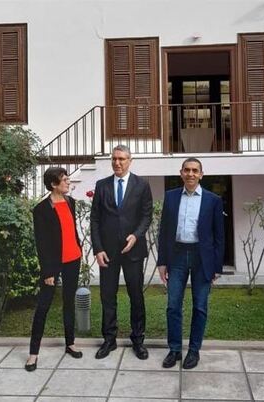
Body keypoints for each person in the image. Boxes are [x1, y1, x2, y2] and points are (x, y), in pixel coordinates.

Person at [157, 157, 224, 369]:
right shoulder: (171, 197)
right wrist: (162, 261)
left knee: (200, 306)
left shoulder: (213, 200)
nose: (191, 174)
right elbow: (164, 231)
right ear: (181, 173)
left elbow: (219, 236)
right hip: (176, 255)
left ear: (201, 175)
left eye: (195, 170)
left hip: (202, 258)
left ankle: (194, 351)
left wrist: (216, 266)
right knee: (173, 306)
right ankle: (175, 350)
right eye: (187, 170)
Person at [91, 144, 153, 360]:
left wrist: (136, 235)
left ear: (130, 161)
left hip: (133, 251)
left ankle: (138, 340)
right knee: (107, 297)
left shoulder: (142, 185)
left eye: (121, 159)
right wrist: (98, 249)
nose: (117, 162)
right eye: (114, 159)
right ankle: (109, 340)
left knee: (136, 296)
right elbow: (95, 219)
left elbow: (146, 215)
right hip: (107, 252)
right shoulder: (102, 185)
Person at [25, 167, 83, 372]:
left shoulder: (70, 202)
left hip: (73, 259)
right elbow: (42, 243)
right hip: (53, 264)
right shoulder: (41, 210)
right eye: (64, 180)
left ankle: (70, 343)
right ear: (53, 184)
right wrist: (47, 271)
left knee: (69, 302)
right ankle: (33, 354)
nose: (68, 182)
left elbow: (71, 230)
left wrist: (79, 248)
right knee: (43, 306)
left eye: (67, 179)